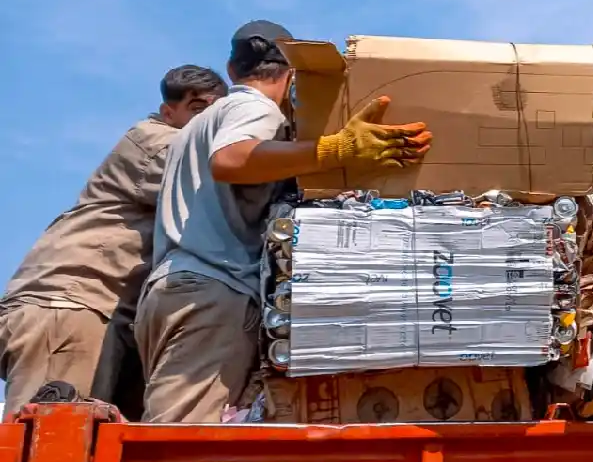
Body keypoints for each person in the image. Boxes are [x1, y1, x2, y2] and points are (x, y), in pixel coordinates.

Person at [136, 21, 432, 423]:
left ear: (232, 69)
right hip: (211, 293)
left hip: (171, 290)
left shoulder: (197, 125)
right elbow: (231, 159)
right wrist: (335, 150)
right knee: (180, 444)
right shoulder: (253, 107)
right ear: (290, 73)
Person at [0, 66, 229, 414]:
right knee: (52, 444)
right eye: (198, 109)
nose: (210, 120)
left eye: (218, 111)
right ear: (169, 113)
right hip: (72, 306)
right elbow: (224, 177)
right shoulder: (154, 141)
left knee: (98, 453)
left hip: (105, 316)